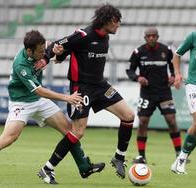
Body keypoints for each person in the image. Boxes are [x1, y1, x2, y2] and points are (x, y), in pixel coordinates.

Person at [0, 30, 105, 184]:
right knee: (9, 138)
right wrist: (66, 98)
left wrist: (57, 51)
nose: (43, 52)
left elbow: (53, 47)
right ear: (29, 51)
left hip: (38, 101)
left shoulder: (40, 48)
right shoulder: (21, 65)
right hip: (21, 103)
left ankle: (84, 167)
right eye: (40, 51)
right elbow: (39, 90)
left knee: (69, 130)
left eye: (44, 49)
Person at [38, 4, 135, 183]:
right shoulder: (83, 35)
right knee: (78, 131)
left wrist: (62, 55)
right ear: (106, 20)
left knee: (128, 115)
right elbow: (58, 45)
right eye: (116, 21)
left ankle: (119, 158)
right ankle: (47, 169)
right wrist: (50, 57)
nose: (118, 25)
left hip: (100, 86)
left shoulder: (106, 37)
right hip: (81, 89)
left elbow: (72, 52)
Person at [126, 27, 182, 164]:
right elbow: (130, 70)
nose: (151, 38)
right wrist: (137, 78)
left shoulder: (166, 50)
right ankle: (142, 156)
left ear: (157, 37)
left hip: (164, 92)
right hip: (147, 93)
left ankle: (179, 155)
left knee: (172, 121)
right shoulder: (138, 52)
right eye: (148, 36)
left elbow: (174, 66)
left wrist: (173, 76)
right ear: (145, 38)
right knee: (143, 122)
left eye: (153, 36)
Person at [171, 13, 196, 174]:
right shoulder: (195, 36)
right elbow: (176, 55)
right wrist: (177, 74)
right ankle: (181, 160)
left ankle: (180, 159)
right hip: (195, 85)